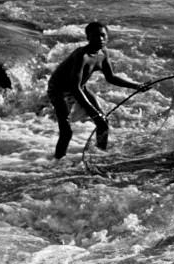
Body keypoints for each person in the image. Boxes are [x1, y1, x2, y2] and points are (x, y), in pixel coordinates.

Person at [47, 21, 144, 160]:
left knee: (103, 122)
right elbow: (74, 88)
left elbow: (111, 77)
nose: (100, 39)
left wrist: (136, 86)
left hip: (80, 87)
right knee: (66, 132)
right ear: (88, 38)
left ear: (108, 37)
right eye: (95, 36)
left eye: (103, 35)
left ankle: (100, 156)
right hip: (58, 90)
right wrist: (93, 113)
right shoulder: (82, 56)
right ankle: (58, 161)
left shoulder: (103, 53)